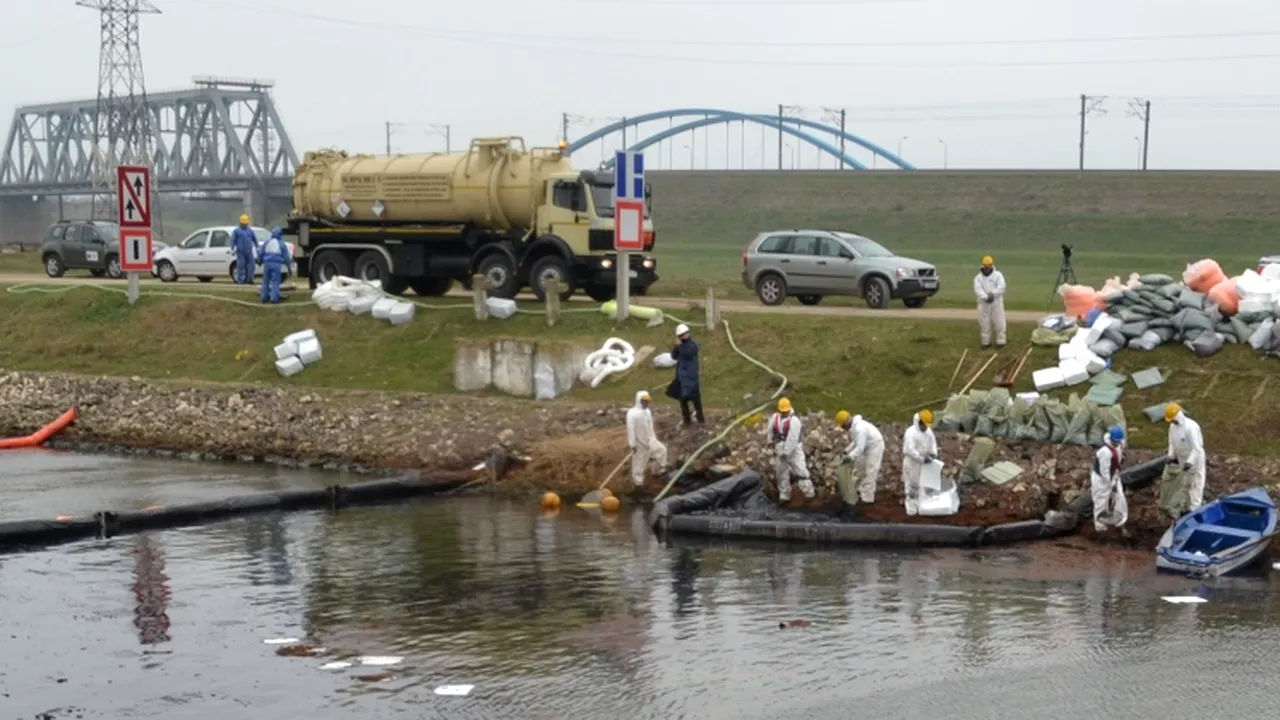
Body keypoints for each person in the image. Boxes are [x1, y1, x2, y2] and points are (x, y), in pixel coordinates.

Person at [768, 397, 814, 502]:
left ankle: (809, 494)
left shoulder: (794, 421)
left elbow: (792, 438)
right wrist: (770, 441)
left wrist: (786, 452)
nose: (784, 413)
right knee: (781, 472)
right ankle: (784, 495)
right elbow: (770, 431)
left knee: (800, 470)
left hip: (794, 450)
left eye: (785, 411)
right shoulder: (775, 417)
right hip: (779, 447)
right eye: (782, 411)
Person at [835, 410, 884, 505]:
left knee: (870, 472)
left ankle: (866, 500)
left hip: (875, 447)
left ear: (846, 423)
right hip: (866, 446)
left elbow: (860, 447)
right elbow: (855, 442)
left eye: (842, 426)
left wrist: (849, 457)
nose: (842, 428)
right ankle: (855, 492)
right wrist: (846, 451)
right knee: (858, 469)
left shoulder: (860, 428)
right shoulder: (854, 428)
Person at [1165, 403, 1206, 511]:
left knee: (1196, 484)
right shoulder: (1173, 427)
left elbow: (1196, 448)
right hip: (1182, 460)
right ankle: (1185, 506)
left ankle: (1194, 508)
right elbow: (1172, 443)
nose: (1172, 422)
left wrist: (1190, 462)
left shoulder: (1191, 427)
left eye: (1173, 419)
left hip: (1195, 460)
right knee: (1185, 483)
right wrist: (1171, 455)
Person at [626, 390, 668, 489]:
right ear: (639, 401)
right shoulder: (632, 414)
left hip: (650, 441)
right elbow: (630, 429)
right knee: (639, 466)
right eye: (644, 401)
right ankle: (638, 485)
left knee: (662, 450)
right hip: (639, 444)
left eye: (647, 401)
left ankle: (658, 471)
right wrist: (632, 444)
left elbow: (650, 426)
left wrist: (653, 438)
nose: (646, 403)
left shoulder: (647, 412)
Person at [1091, 425, 1128, 533]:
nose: (1116, 443)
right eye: (1115, 442)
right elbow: (1104, 471)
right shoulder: (1104, 452)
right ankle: (1100, 528)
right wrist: (1111, 484)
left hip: (1115, 474)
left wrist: (1115, 481)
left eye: (1118, 441)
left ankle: (1120, 522)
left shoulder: (1121, 443)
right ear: (1111, 439)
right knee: (1100, 501)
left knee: (1120, 497)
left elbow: (1120, 457)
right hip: (1101, 479)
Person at [901, 410, 938, 516]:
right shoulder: (910, 433)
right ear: (919, 422)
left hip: (924, 462)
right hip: (912, 463)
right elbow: (909, 450)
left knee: (924, 484)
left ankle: (922, 505)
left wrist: (933, 453)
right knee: (913, 485)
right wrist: (921, 458)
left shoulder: (928, 431)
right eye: (924, 425)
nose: (926, 428)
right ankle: (911, 509)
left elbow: (933, 443)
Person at [669, 324, 704, 426]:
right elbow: (674, 356)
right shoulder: (680, 346)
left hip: (691, 378)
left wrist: (679, 346)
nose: (683, 336)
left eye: (684, 334)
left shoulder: (692, 345)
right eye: (681, 335)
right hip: (682, 378)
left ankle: (700, 419)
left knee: (696, 400)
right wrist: (676, 346)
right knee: (683, 401)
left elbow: (688, 354)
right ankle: (687, 421)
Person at [973, 255, 1007, 348]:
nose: (987, 268)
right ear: (983, 265)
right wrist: (985, 297)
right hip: (983, 304)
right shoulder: (978, 278)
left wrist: (993, 294)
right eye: (986, 265)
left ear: (992, 265)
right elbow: (977, 289)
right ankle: (986, 342)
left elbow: (1002, 287)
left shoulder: (998, 275)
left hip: (997, 303)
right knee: (984, 323)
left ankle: (1001, 341)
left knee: (1000, 322)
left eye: (989, 265)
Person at [257, 227, 292, 304]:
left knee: (265, 281)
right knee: (275, 282)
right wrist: (289, 268)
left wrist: (259, 261)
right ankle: (274, 298)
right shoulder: (281, 243)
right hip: (276, 264)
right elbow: (286, 257)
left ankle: (264, 297)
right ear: (280, 234)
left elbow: (261, 253)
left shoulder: (266, 242)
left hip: (266, 264)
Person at [231, 214, 258, 285]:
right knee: (240, 267)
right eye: (244, 223)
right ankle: (241, 281)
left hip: (249, 252)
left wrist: (257, 246)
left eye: (246, 223)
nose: (245, 225)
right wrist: (232, 248)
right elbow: (232, 240)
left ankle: (250, 279)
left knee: (252, 266)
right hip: (240, 252)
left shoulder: (250, 231)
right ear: (240, 223)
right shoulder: (236, 231)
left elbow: (254, 239)